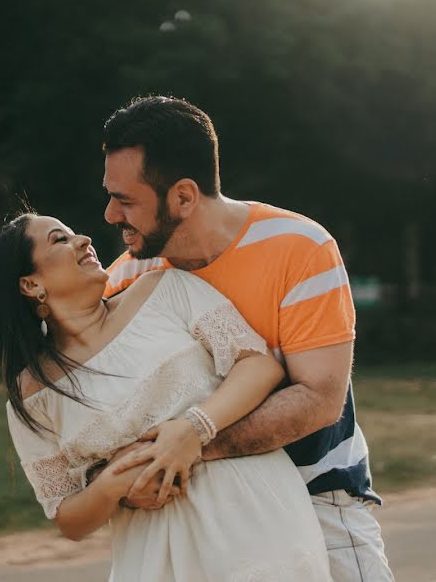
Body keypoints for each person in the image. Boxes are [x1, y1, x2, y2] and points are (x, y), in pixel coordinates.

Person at [97, 95, 394, 581]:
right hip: (198, 510)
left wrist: (193, 443)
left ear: (184, 197)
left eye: (126, 200)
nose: (110, 215)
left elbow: (320, 400)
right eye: (110, 196)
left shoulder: (300, 248)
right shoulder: (126, 280)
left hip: (316, 491)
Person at [0, 212, 332, 581]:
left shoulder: (166, 289)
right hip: (152, 556)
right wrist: (115, 483)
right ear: (30, 284)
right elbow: (67, 517)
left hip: (253, 518)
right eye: (59, 240)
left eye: (74, 233)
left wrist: (194, 428)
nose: (83, 240)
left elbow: (258, 366)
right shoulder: (33, 395)